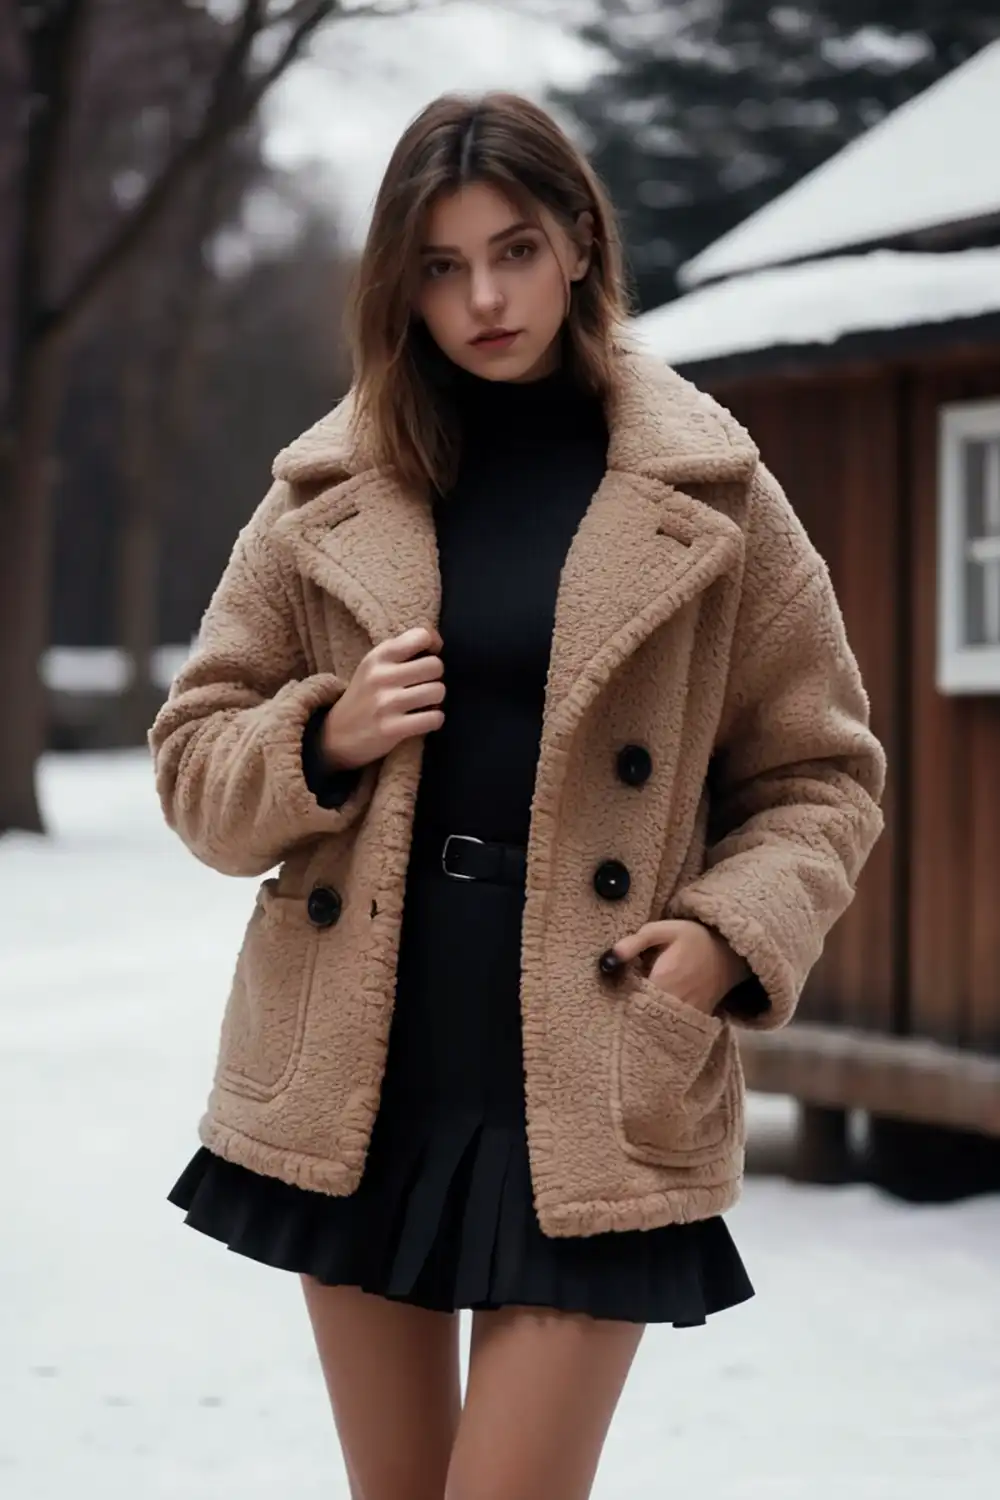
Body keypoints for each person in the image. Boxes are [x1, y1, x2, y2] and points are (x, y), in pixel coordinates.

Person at [151, 92, 885, 1500]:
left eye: (516, 249)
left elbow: (823, 773)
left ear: (581, 245)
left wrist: (731, 934)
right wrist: (324, 738)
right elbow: (194, 762)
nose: (483, 296)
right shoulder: (328, 488)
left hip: (594, 1058)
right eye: (439, 264)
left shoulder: (711, 489)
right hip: (364, 1064)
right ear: (397, 284)